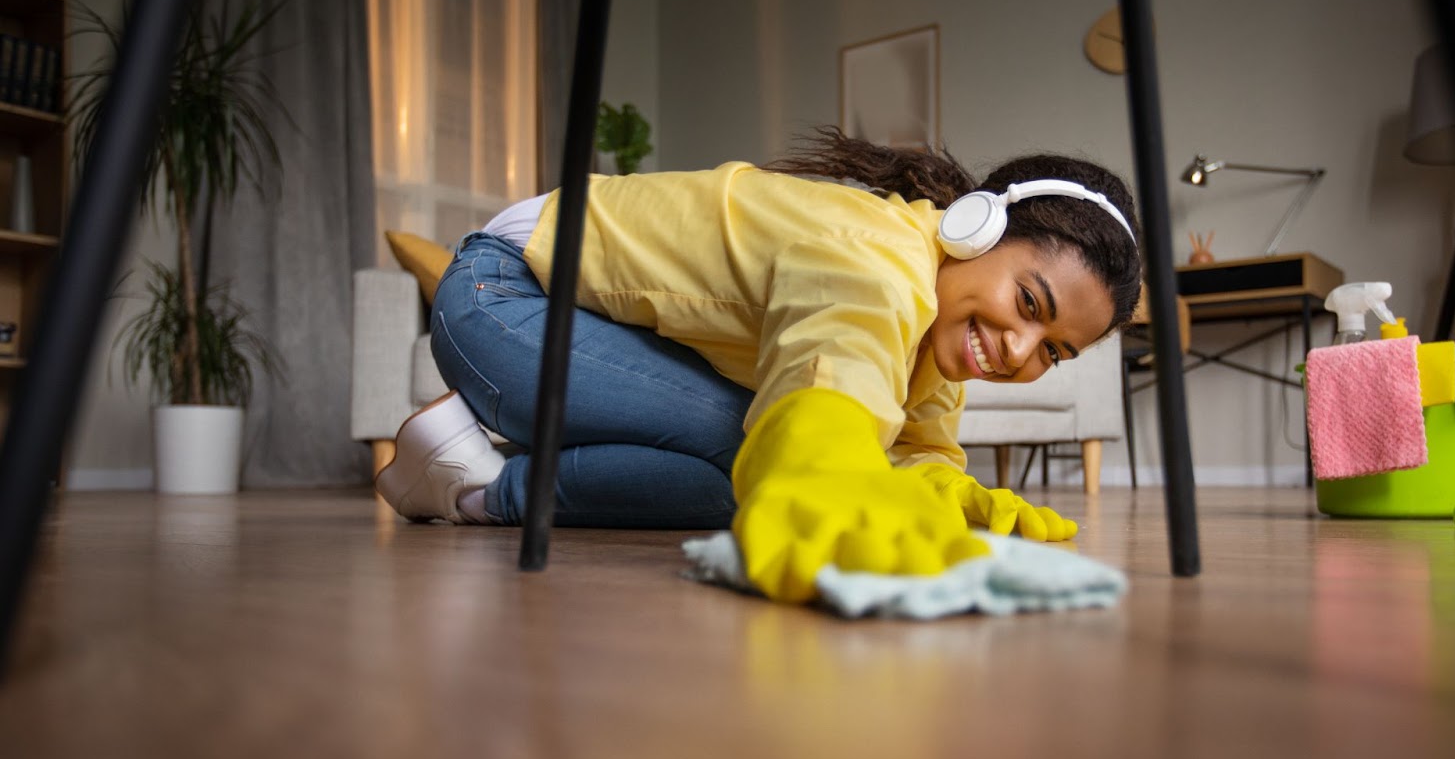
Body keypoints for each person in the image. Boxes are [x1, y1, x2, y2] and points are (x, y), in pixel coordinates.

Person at [375, 128, 1143, 601]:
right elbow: (832, 369)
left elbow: (914, 449)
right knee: (757, 447)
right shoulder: (873, 255)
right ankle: (489, 489)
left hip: (571, 324)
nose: (1017, 351)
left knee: (738, 478)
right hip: (499, 294)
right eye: (1030, 304)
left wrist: (958, 498)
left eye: (1053, 352)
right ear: (977, 229)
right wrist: (826, 475)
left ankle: (471, 471)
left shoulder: (935, 343)